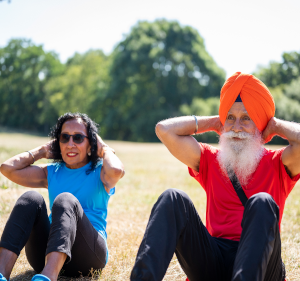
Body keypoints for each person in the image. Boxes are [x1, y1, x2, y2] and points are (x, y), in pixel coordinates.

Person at [130, 72, 300, 281]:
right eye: (230, 118)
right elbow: (164, 130)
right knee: (173, 197)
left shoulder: (278, 163)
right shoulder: (212, 160)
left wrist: (275, 126)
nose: (236, 127)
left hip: (263, 265)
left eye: (246, 118)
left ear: (260, 124)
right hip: (215, 259)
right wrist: (213, 122)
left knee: (262, 201)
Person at [0, 112, 125, 281]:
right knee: (30, 199)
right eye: (64, 138)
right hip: (44, 255)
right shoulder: (52, 172)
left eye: (78, 138)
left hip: (88, 257)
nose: (70, 144)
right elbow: (7, 169)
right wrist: (41, 151)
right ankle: (2, 273)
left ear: (91, 144)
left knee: (66, 199)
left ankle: (48, 277)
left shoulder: (101, 172)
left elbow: (117, 171)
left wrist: (105, 149)